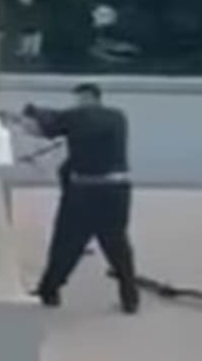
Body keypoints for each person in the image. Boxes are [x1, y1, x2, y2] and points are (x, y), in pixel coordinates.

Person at [19, 83, 139, 314]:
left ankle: (49, 290)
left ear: (85, 98)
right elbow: (61, 119)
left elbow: (48, 126)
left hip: (84, 190)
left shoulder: (76, 117)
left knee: (65, 242)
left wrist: (28, 115)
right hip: (117, 190)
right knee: (117, 244)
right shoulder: (118, 118)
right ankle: (130, 298)